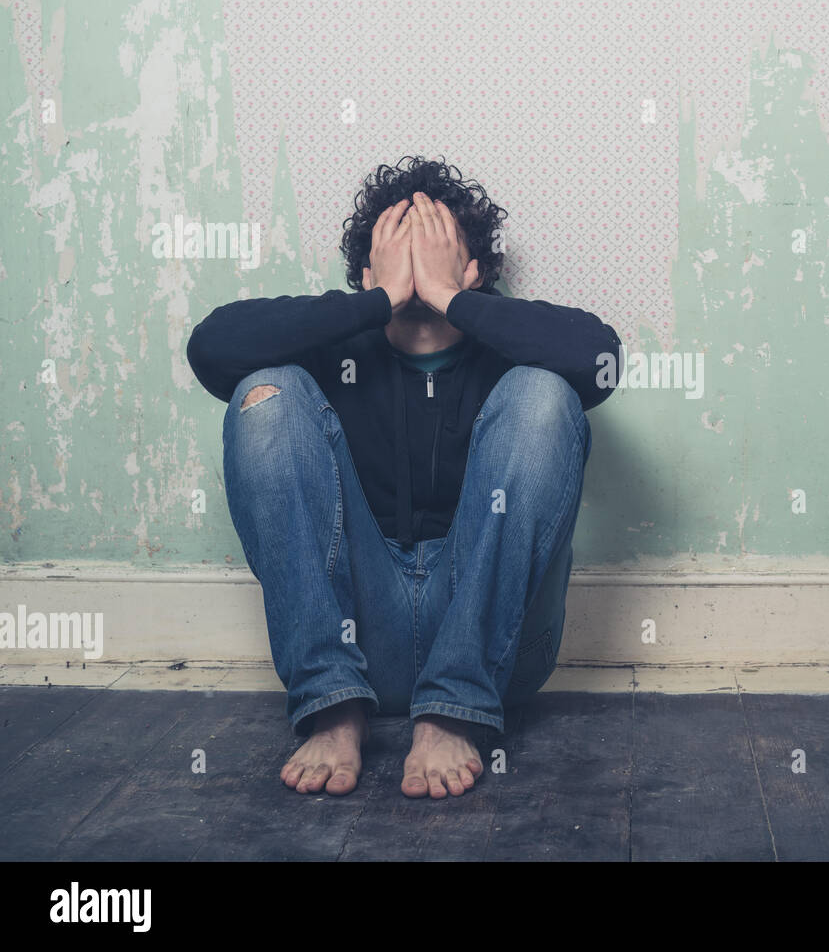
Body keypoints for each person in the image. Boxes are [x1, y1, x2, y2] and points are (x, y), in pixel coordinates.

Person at [186, 156, 621, 799]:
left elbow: (601, 360)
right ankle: (332, 708)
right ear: (368, 271)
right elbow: (212, 348)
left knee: (543, 393)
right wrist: (376, 303)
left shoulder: (511, 345)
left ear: (472, 269)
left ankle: (453, 710)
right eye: (398, 252)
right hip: (362, 637)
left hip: (495, 648)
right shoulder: (338, 342)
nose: (416, 268)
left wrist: (453, 301)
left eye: (437, 249)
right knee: (265, 392)